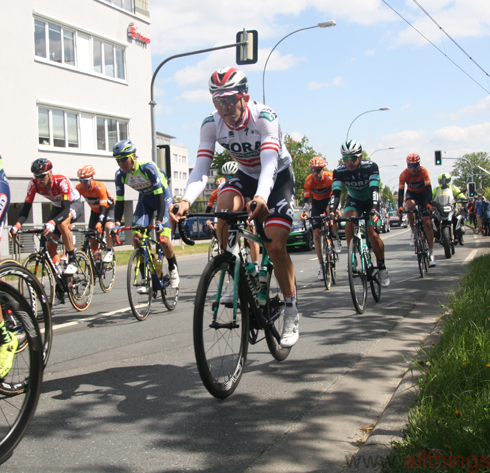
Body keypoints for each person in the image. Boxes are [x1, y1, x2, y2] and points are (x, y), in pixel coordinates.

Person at [174, 67, 299, 347]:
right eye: (218, 101)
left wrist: (263, 196)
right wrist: (184, 201)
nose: (225, 107)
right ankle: (232, 267)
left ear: (245, 97)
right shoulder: (211, 123)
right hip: (245, 175)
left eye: (230, 99)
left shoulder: (264, 117)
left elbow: (269, 163)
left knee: (275, 246)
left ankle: (291, 309)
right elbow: (201, 169)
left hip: (276, 178)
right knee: (223, 206)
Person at [111, 139, 180, 289]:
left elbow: (160, 197)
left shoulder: (148, 168)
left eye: (124, 159)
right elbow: (120, 202)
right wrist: (117, 223)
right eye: (118, 160)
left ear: (133, 156)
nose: (121, 163)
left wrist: (160, 221)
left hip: (162, 197)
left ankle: (173, 269)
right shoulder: (120, 175)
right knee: (137, 238)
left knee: (163, 239)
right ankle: (145, 278)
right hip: (145, 200)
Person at [11, 158, 82, 291]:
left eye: (42, 176)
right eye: (36, 177)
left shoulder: (62, 181)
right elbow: (26, 209)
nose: (39, 180)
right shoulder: (33, 185)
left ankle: (72, 259)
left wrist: (53, 222)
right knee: (50, 244)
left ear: (50, 173)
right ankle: (60, 274)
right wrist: (17, 225)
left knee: (61, 225)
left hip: (72, 204)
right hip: (56, 207)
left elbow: (66, 210)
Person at [331, 140, 390, 286]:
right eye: (345, 158)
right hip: (354, 200)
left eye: (353, 158)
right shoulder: (339, 171)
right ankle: (352, 256)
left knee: (373, 234)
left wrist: (375, 209)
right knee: (349, 219)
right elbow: (336, 194)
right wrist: (332, 211)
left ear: (360, 156)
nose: (349, 162)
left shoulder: (370, 167)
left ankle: (382, 268)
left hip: (371, 200)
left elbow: (374, 190)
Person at [300, 156, 336, 281]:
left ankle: (335, 238)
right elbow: (306, 200)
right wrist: (304, 212)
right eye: (312, 170)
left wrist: (335, 209)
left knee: (330, 213)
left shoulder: (330, 177)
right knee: (316, 234)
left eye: (318, 170)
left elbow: (337, 195)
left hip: (329, 201)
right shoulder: (309, 180)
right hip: (316, 204)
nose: (315, 173)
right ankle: (321, 266)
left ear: (323, 169)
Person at [397, 153, 436, 266]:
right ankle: (413, 231)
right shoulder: (403, 174)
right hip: (412, 195)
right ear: (407, 165)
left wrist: (429, 203)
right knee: (409, 206)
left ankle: (432, 253)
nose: (414, 169)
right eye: (411, 166)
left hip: (424, 195)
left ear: (419, 165)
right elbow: (400, 193)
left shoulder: (424, 172)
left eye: (416, 165)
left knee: (427, 223)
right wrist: (400, 206)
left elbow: (429, 189)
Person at [75, 164, 115, 262]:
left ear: (92, 178)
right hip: (95, 212)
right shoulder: (79, 188)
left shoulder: (99, 186)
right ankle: (95, 259)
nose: (83, 183)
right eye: (81, 180)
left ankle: (109, 251)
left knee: (108, 227)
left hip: (108, 209)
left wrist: (100, 222)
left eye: (85, 180)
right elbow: (74, 203)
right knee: (91, 238)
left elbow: (103, 206)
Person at [430, 172, 466, 243]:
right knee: (434, 219)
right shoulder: (436, 189)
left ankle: (460, 236)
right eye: (442, 181)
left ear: (449, 180)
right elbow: (431, 196)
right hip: (440, 208)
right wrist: (429, 201)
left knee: (458, 217)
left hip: (451, 208)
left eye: (446, 180)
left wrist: (462, 198)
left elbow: (460, 194)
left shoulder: (453, 188)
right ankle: (437, 236)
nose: (444, 182)